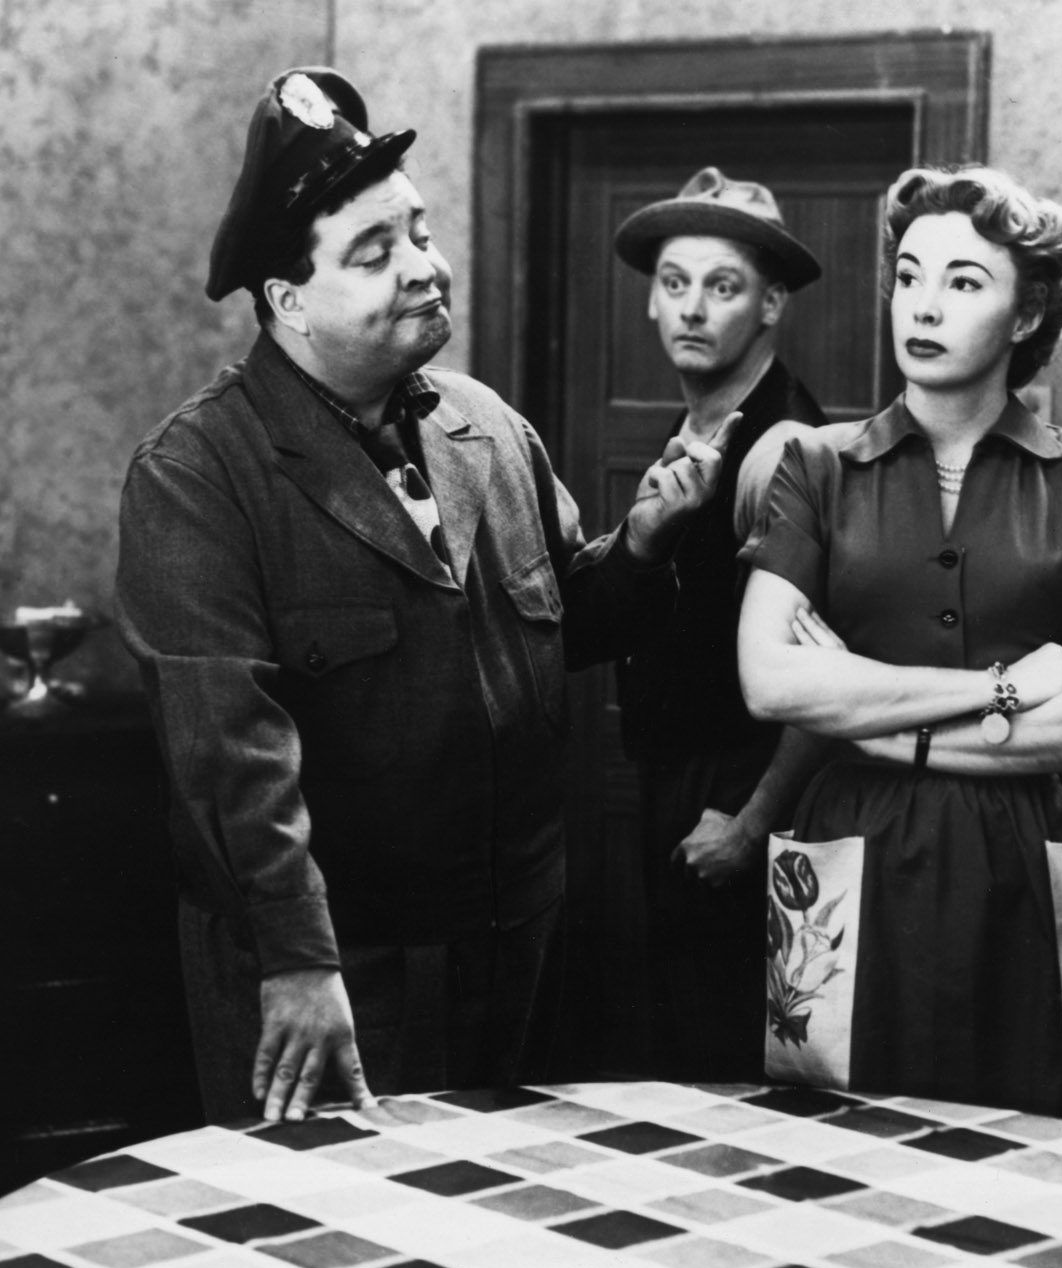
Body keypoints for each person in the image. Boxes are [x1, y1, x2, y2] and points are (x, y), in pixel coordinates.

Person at [117, 67, 732, 1124]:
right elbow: (227, 755)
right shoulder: (197, 475)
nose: (423, 267)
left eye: (420, 232)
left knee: (507, 1215)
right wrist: (298, 960)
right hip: (337, 968)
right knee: (324, 1221)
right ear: (287, 302)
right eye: (374, 253)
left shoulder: (484, 425)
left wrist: (638, 547)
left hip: (514, 940)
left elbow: (558, 624)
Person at [737, 165, 1062, 1115]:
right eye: (908, 275)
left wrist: (878, 717)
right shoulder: (815, 465)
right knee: (838, 1130)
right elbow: (769, 681)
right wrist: (1005, 688)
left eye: (964, 282)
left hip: (1033, 849)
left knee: (1047, 1135)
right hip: (854, 843)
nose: (923, 305)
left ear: (1028, 315)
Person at [609, 169, 830, 1082]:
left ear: (771, 304)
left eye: (723, 286)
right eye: (674, 282)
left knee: (732, 1071)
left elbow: (825, 669)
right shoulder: (701, 421)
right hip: (677, 782)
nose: (692, 308)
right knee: (679, 1055)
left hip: (740, 796)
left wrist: (750, 820)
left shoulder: (783, 443)